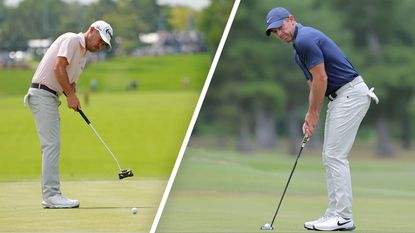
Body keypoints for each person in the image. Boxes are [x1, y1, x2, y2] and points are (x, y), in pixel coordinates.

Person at [265, 7, 378, 231]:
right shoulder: (298, 51)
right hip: (340, 98)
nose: (280, 33)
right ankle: (334, 213)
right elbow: (313, 85)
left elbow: (321, 78)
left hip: (351, 94)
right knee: (330, 155)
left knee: (335, 156)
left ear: (291, 20)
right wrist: (310, 115)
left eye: (280, 27)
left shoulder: (306, 39)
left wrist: (314, 113)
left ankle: (343, 217)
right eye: (275, 32)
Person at [24, 20, 113, 208]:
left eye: (104, 44)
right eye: (100, 40)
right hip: (42, 93)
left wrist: (72, 93)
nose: (100, 45)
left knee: (52, 145)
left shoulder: (84, 54)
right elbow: (58, 67)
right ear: (91, 30)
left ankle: (51, 195)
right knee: (51, 145)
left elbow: (69, 80)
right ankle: (51, 196)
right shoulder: (72, 40)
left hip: (50, 96)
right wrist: (70, 95)